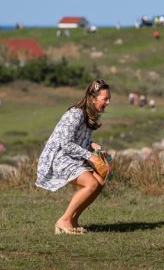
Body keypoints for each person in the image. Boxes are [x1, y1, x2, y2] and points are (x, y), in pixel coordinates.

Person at [36, 79, 111, 235]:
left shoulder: (90, 114)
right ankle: (63, 220)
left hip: (73, 158)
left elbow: (80, 139)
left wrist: (92, 145)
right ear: (92, 98)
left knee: (99, 182)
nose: (108, 102)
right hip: (59, 158)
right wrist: (90, 156)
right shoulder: (75, 114)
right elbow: (66, 144)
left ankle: (72, 220)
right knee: (91, 184)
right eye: (105, 99)